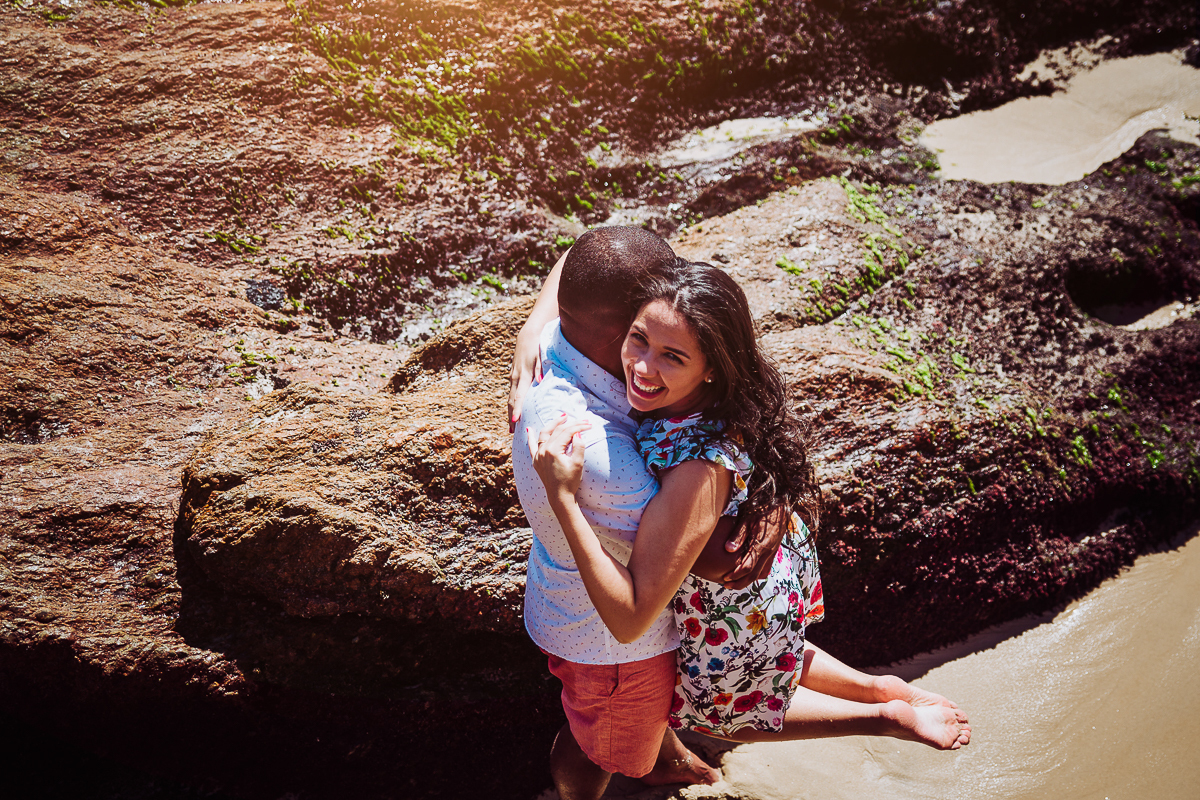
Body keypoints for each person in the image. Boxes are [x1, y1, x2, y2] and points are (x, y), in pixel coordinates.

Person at [530, 259, 972, 749]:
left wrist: (562, 499)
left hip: (740, 603)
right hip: (764, 585)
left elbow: (631, 619)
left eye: (672, 357)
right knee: (769, 661)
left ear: (712, 369)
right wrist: (532, 333)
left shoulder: (695, 468)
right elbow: (582, 259)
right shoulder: (712, 405)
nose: (642, 366)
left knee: (723, 716)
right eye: (638, 339)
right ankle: (878, 689)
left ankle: (883, 717)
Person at [509, 228, 789, 800]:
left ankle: (666, 757)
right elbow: (708, 558)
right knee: (600, 747)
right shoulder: (603, 458)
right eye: (644, 332)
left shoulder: (560, 338)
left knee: (619, 721)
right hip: (613, 647)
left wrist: (529, 328)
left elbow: (577, 257)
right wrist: (767, 505)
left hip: (564, 597)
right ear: (626, 328)